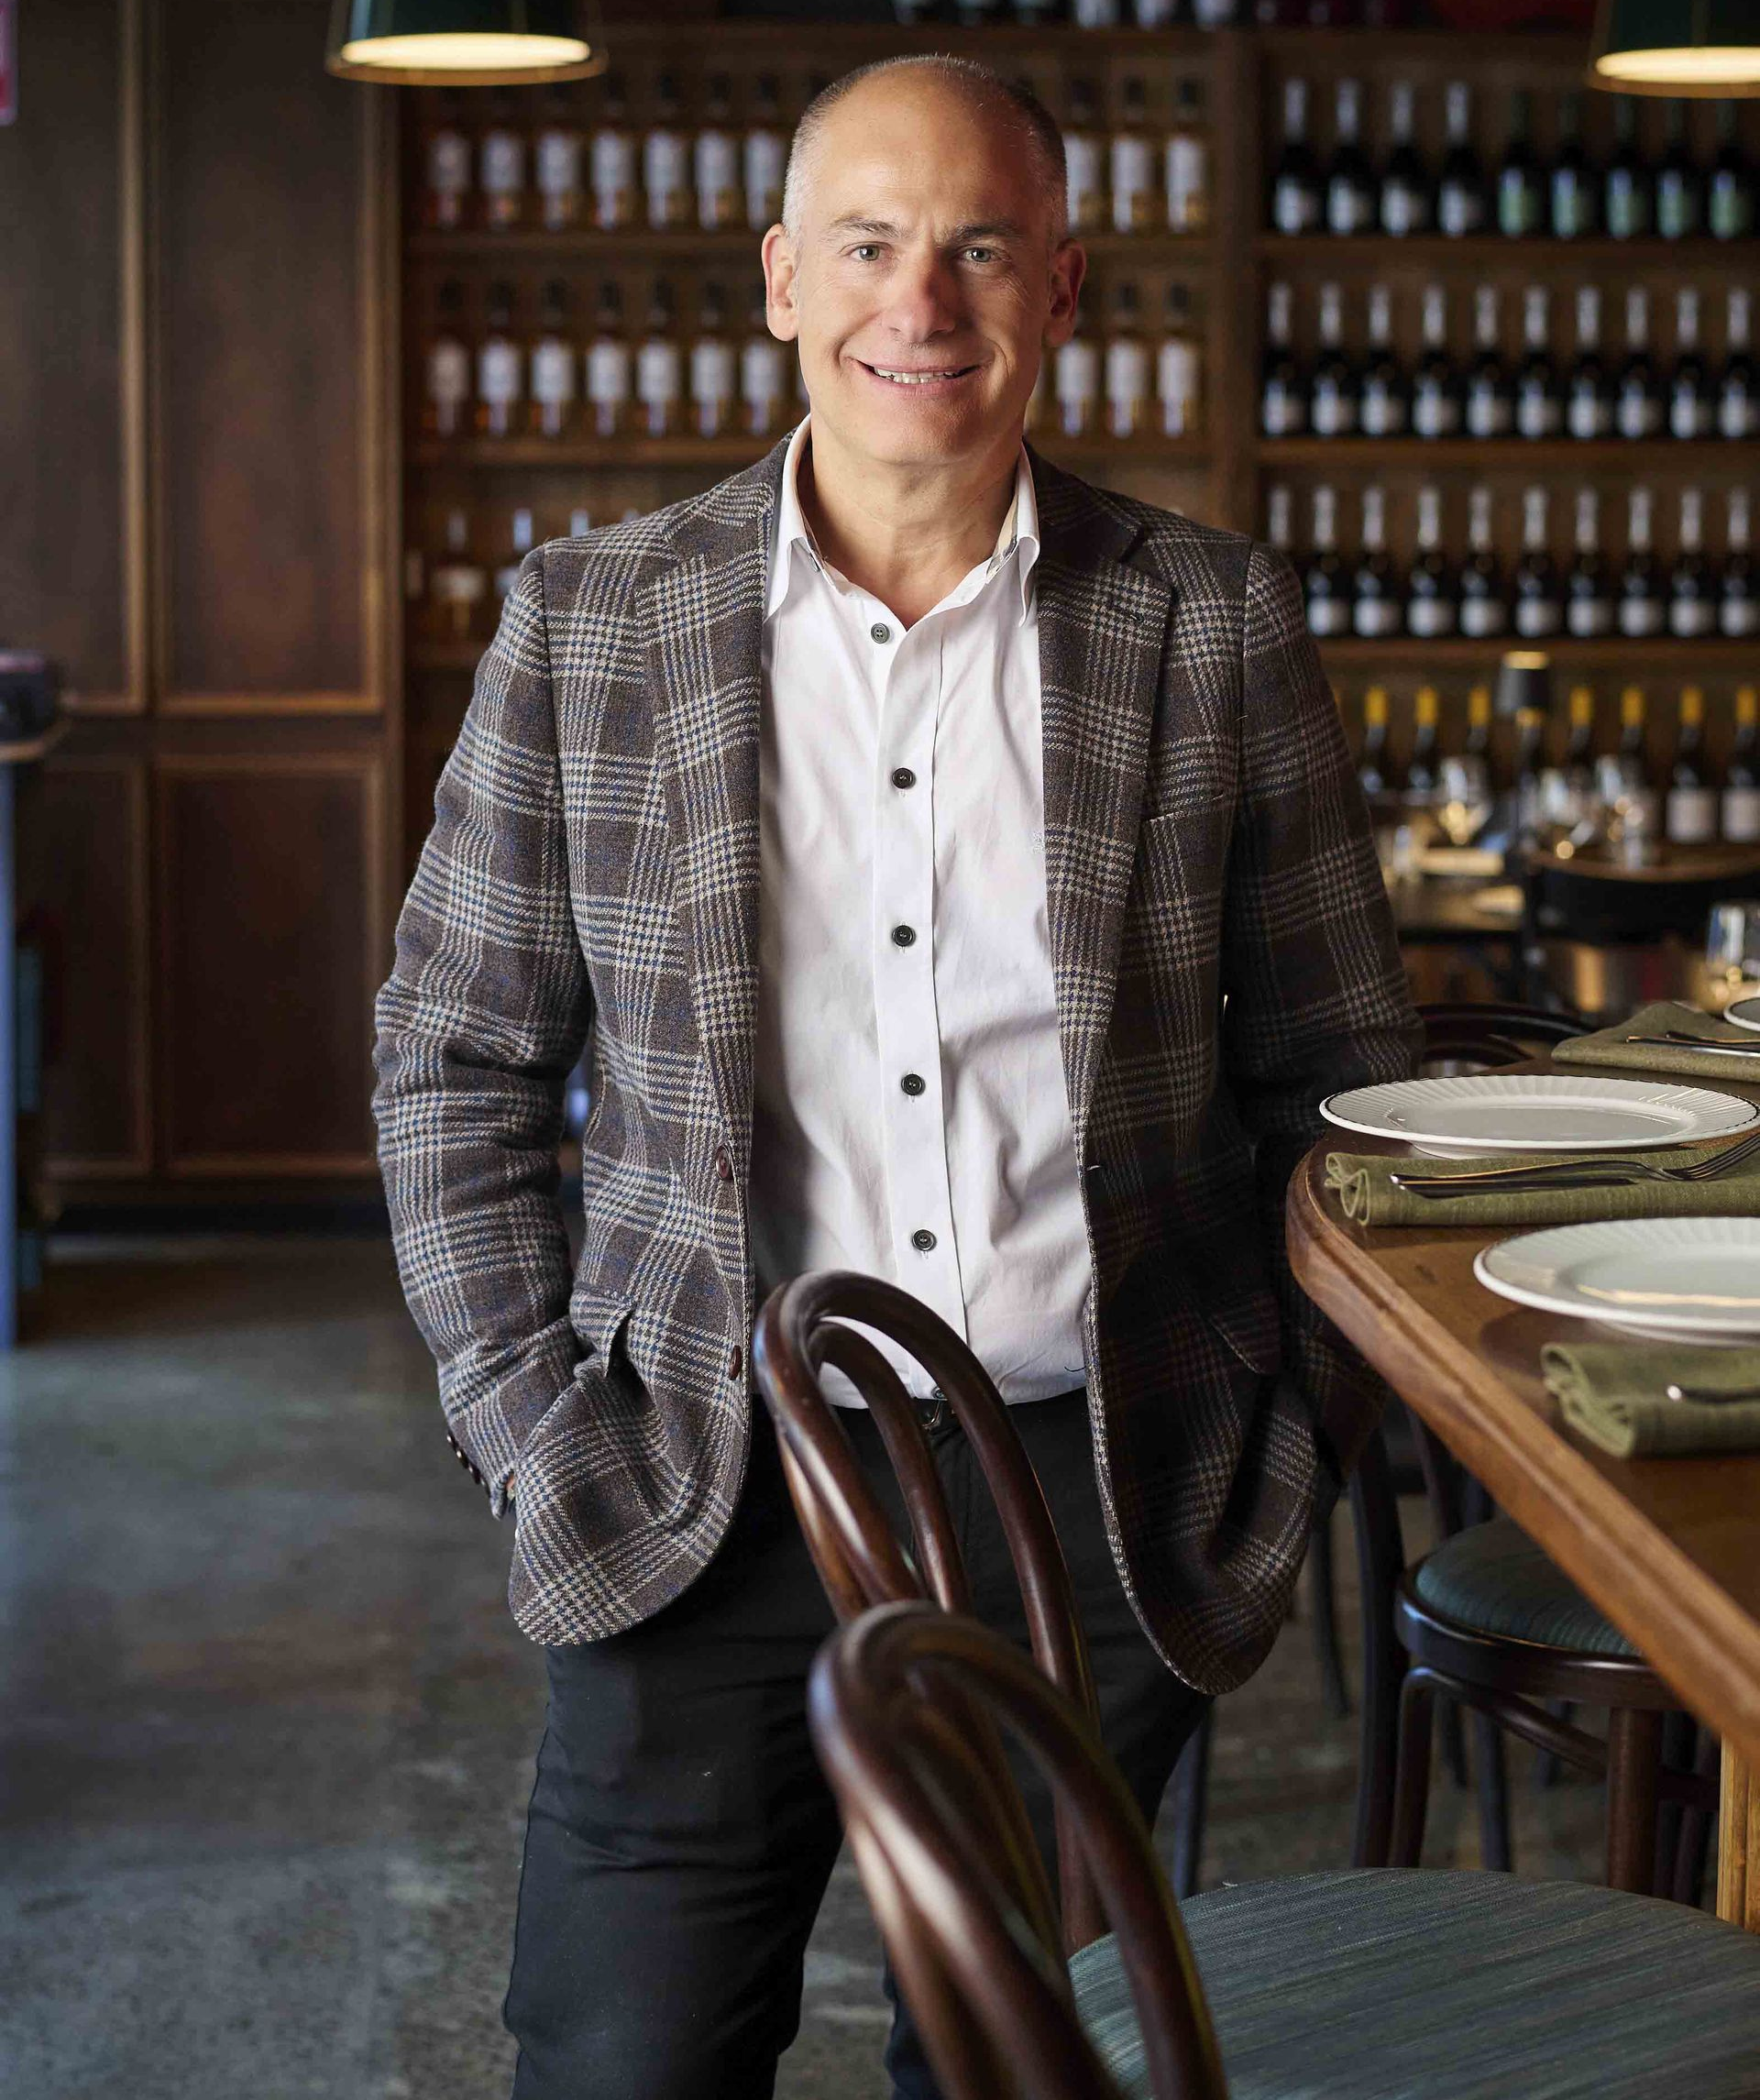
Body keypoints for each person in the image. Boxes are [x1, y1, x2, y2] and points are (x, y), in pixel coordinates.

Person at [371, 53, 1422, 2100]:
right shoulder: (595, 624)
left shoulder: (1210, 627)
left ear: (1066, 287)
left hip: (1095, 1491)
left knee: (1016, 2065)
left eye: (978, 247)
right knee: (619, 2057)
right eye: (865, 243)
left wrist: (1272, 1453)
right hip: (695, 1477)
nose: (916, 303)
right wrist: (533, 1429)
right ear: (780, 280)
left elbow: (1341, 1084)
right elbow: (454, 1063)